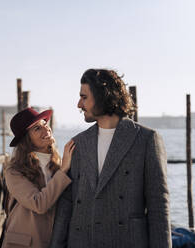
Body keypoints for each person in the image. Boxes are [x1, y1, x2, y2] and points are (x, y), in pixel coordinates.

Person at [50, 69, 171, 248]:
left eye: (84, 97)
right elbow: (67, 204)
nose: (78, 104)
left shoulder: (147, 140)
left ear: (102, 96)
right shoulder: (78, 143)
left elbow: (158, 206)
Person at [2, 107, 75, 248]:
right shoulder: (14, 171)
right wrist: (64, 169)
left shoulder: (59, 163)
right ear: (26, 139)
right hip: (23, 244)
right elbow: (38, 204)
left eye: (45, 124)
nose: (46, 130)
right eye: (37, 129)